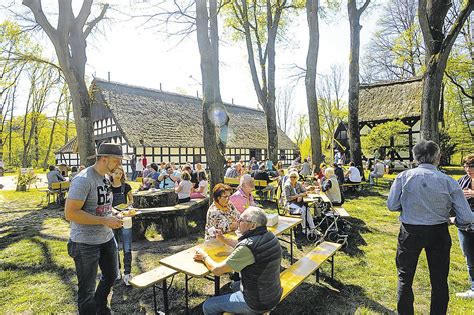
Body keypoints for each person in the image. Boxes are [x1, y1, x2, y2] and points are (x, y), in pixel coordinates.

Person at [387, 140, 474, 314]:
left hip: (410, 231)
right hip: (438, 231)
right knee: (439, 280)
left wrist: (409, 207)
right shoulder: (448, 181)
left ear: (415, 157)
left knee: (405, 278)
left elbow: (392, 205)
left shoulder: (403, 177)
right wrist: (454, 221)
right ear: (438, 158)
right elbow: (466, 217)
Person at [65, 143, 126, 314]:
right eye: (116, 161)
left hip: (106, 238)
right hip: (84, 242)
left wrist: (116, 213)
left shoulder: (105, 178)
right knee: (87, 289)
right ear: (104, 159)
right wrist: (104, 220)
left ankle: (100, 307)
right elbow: (70, 213)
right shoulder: (83, 179)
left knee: (112, 274)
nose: (119, 165)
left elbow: (105, 206)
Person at [194, 207, 283, 315]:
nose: (237, 222)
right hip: (274, 293)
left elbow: (217, 270)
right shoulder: (269, 236)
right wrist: (224, 239)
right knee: (234, 285)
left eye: (241, 220)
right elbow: (249, 246)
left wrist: (204, 256)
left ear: (253, 226)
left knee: (208, 305)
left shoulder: (248, 247)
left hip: (257, 303)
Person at [109, 166, 134, 286]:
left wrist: (127, 207)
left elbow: (131, 200)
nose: (118, 175)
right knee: (114, 246)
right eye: (116, 173)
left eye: (120, 173)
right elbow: (107, 204)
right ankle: (116, 270)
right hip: (113, 218)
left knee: (127, 246)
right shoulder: (108, 188)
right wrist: (115, 211)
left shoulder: (127, 186)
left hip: (126, 218)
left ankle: (128, 273)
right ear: (111, 174)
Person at [456, 153, 474, 298]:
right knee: (470, 258)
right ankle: (473, 289)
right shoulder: (462, 181)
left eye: (472, 166)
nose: (468, 169)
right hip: (465, 226)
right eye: (466, 166)